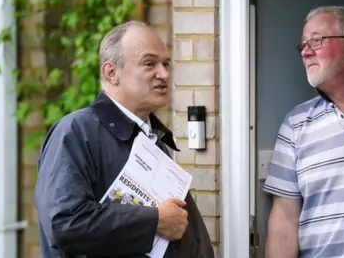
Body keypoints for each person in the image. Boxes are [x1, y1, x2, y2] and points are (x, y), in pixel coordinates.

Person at [35, 20, 214, 258]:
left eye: (166, 64)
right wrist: (154, 222)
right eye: (149, 63)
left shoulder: (153, 139)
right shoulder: (76, 132)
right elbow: (65, 224)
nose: (163, 74)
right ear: (111, 72)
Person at [262, 6, 344, 258]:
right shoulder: (296, 124)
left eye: (316, 40)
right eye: (302, 45)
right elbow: (284, 222)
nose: (305, 51)